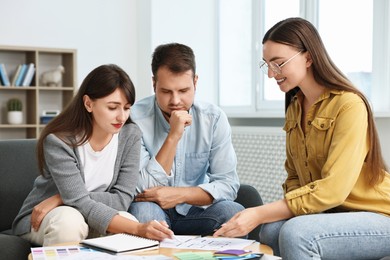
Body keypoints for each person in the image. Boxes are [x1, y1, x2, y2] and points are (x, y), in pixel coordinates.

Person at [213, 17, 390, 259]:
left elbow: (333, 189)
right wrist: (267, 216)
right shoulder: (296, 107)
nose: (271, 74)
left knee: (296, 232)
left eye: (279, 64)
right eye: (267, 65)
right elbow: (295, 176)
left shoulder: (349, 105)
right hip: (333, 213)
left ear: (308, 57)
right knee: (271, 230)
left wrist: (259, 212)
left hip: (378, 215)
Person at [12, 64, 174, 246]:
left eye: (127, 108)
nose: (122, 117)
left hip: (89, 211)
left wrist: (61, 197)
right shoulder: (59, 142)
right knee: (69, 222)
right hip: (46, 218)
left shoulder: (130, 136)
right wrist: (138, 229)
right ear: (88, 103)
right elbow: (78, 202)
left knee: (127, 217)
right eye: (113, 107)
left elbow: (121, 199)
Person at [128, 43, 244, 236]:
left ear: (195, 82)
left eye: (183, 91)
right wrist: (173, 137)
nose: (175, 101)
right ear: (154, 84)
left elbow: (228, 184)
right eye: (166, 91)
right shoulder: (134, 118)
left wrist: (179, 195)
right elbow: (140, 188)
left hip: (196, 211)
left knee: (234, 213)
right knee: (143, 212)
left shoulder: (213, 118)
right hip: (152, 209)